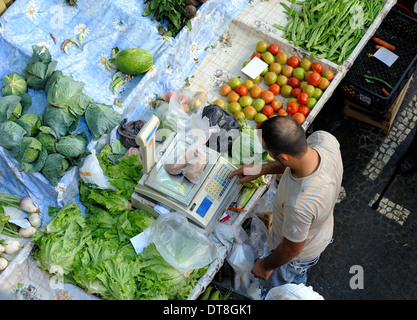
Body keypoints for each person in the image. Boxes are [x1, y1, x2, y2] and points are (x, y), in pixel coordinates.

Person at [229, 116, 343, 295]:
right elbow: (295, 162)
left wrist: (265, 265)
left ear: (283, 157)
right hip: (320, 232)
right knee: (295, 279)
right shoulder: (324, 140)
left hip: (296, 256)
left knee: (281, 288)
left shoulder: (299, 204)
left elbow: (291, 249)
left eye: (268, 150)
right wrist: (260, 169)